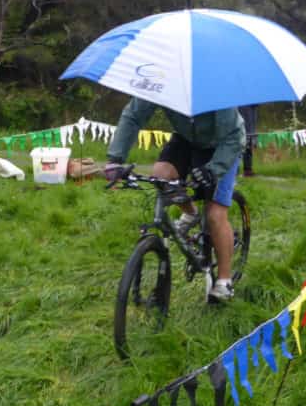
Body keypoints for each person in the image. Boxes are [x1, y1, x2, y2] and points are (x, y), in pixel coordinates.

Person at [104, 98, 245, 303]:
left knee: (215, 215)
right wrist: (115, 160)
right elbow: (134, 115)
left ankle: (224, 281)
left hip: (224, 144)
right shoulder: (163, 78)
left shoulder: (215, 87)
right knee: (161, 175)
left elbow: (233, 137)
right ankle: (191, 213)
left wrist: (213, 171)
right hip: (187, 140)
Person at [238, 105, 259, 177]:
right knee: (238, 150)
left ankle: (248, 170)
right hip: (241, 127)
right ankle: (236, 170)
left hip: (250, 128)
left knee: (248, 149)